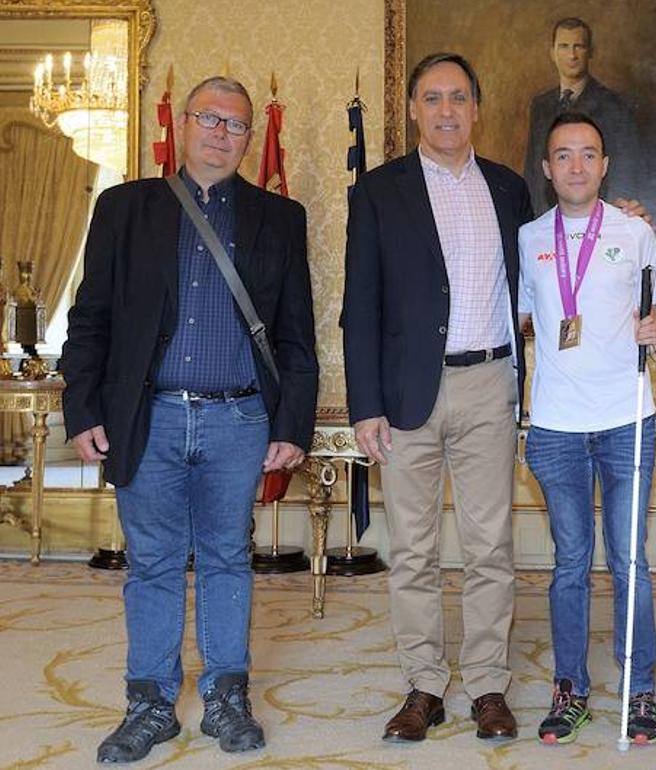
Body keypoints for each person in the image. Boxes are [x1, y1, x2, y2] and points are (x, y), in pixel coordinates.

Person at [61, 76, 319, 763]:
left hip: (239, 421)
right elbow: (90, 321)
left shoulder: (278, 218)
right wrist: (82, 406)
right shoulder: (125, 208)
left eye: (237, 126)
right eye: (210, 118)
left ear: (248, 138)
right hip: (150, 418)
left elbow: (297, 334)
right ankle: (148, 706)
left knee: (230, 557)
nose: (223, 133)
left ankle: (227, 700)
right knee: (152, 563)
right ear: (182, 124)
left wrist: (291, 421)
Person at [342, 52, 529, 744]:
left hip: (489, 384)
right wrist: (365, 404)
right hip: (403, 391)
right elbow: (358, 304)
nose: (446, 110)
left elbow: (546, 272)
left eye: (458, 97)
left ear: (476, 108)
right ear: (413, 110)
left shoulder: (509, 189)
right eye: (432, 98)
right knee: (413, 550)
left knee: (490, 547)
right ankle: (424, 684)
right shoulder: (379, 192)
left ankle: (486, 684)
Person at [518, 112, 656, 745]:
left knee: (630, 561)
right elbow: (523, 319)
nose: (576, 166)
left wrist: (655, 334)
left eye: (588, 155)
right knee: (569, 564)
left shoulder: (635, 233)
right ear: (547, 168)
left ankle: (640, 690)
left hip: (627, 418)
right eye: (563, 155)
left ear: (604, 166)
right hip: (554, 425)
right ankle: (570, 686)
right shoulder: (527, 238)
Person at [523, 17, 642, 213]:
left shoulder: (615, 106)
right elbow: (533, 172)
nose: (572, 55)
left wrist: (613, 221)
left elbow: (627, 174)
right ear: (552, 53)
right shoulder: (540, 105)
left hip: (599, 225)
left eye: (579, 46)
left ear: (590, 52)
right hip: (546, 225)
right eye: (564, 46)